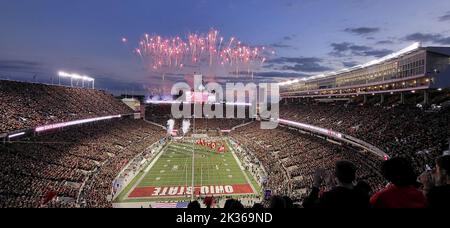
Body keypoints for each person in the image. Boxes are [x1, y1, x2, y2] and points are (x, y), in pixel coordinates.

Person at [303, 160, 369, 208]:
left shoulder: (329, 197)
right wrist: (331, 186)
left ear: (335, 176)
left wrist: (316, 184)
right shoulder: (362, 193)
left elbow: (308, 205)